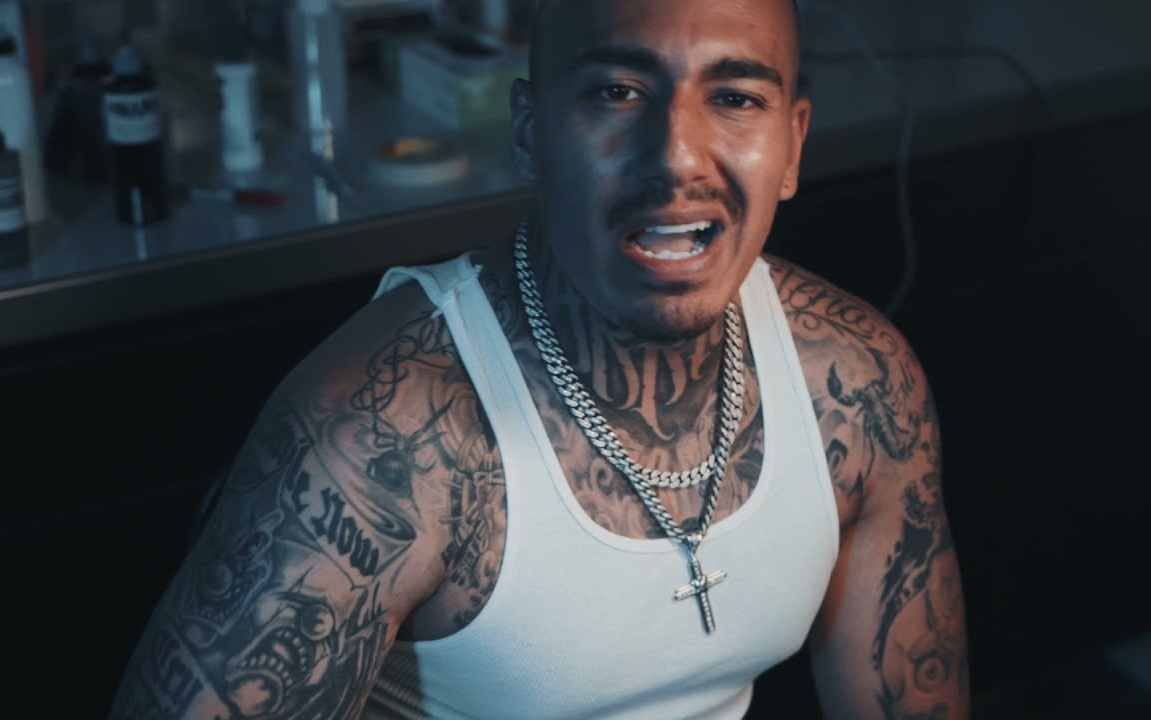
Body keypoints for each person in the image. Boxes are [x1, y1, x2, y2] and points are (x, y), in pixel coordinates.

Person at [110, 0, 970, 717]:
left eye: (736, 97)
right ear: (529, 132)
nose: (677, 155)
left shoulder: (856, 385)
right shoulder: (379, 441)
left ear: (792, 144)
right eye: (618, 92)